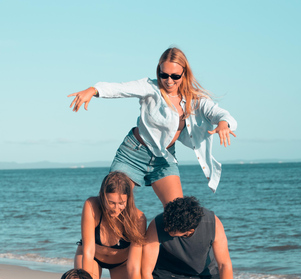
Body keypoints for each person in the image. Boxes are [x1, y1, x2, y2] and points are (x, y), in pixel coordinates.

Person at [68, 47, 237, 206]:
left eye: (175, 76)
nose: (169, 81)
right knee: (113, 205)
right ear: (159, 71)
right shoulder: (150, 87)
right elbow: (119, 88)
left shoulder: (194, 99)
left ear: (184, 74)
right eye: (164, 75)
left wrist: (223, 124)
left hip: (164, 159)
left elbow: (221, 114)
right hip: (133, 154)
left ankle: (152, 238)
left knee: (177, 213)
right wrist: (93, 90)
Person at [140, 196, 234, 279]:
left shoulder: (212, 223)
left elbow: (224, 264)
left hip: (203, 272)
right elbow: (146, 271)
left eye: (170, 229)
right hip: (167, 272)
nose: (166, 228)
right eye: (166, 224)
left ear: (189, 231)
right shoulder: (158, 224)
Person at [75, 172, 147, 279]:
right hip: (92, 259)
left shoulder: (138, 219)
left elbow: (134, 266)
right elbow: (88, 251)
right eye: (111, 202)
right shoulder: (91, 206)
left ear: (129, 199)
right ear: (102, 196)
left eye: (121, 203)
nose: (116, 208)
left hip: (120, 264)